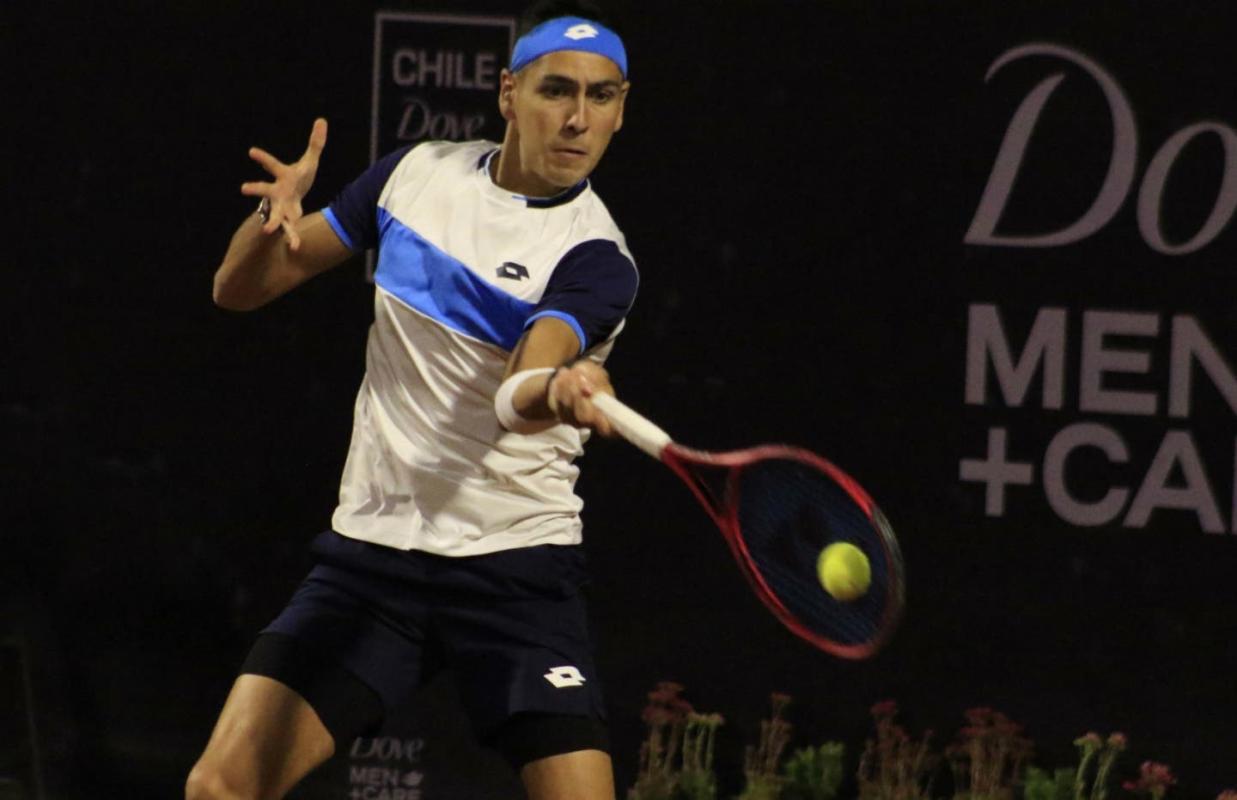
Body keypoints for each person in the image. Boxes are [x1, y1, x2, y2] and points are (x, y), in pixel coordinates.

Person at [185, 2, 636, 798]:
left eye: (600, 96)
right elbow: (238, 289)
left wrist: (556, 387)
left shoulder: (597, 258)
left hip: (515, 569)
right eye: (555, 90)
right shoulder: (414, 176)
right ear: (508, 93)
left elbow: (518, 391)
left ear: (619, 109)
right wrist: (269, 220)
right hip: (375, 560)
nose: (577, 119)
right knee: (221, 787)